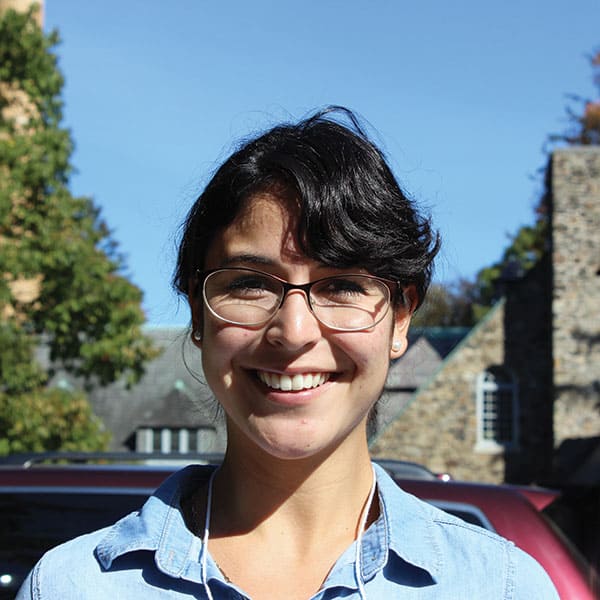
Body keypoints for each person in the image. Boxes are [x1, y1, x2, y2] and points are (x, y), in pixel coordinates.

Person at [17, 107, 559, 599]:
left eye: (342, 285)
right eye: (251, 283)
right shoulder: (74, 586)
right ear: (198, 313)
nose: (294, 331)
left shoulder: (501, 587)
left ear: (400, 319)